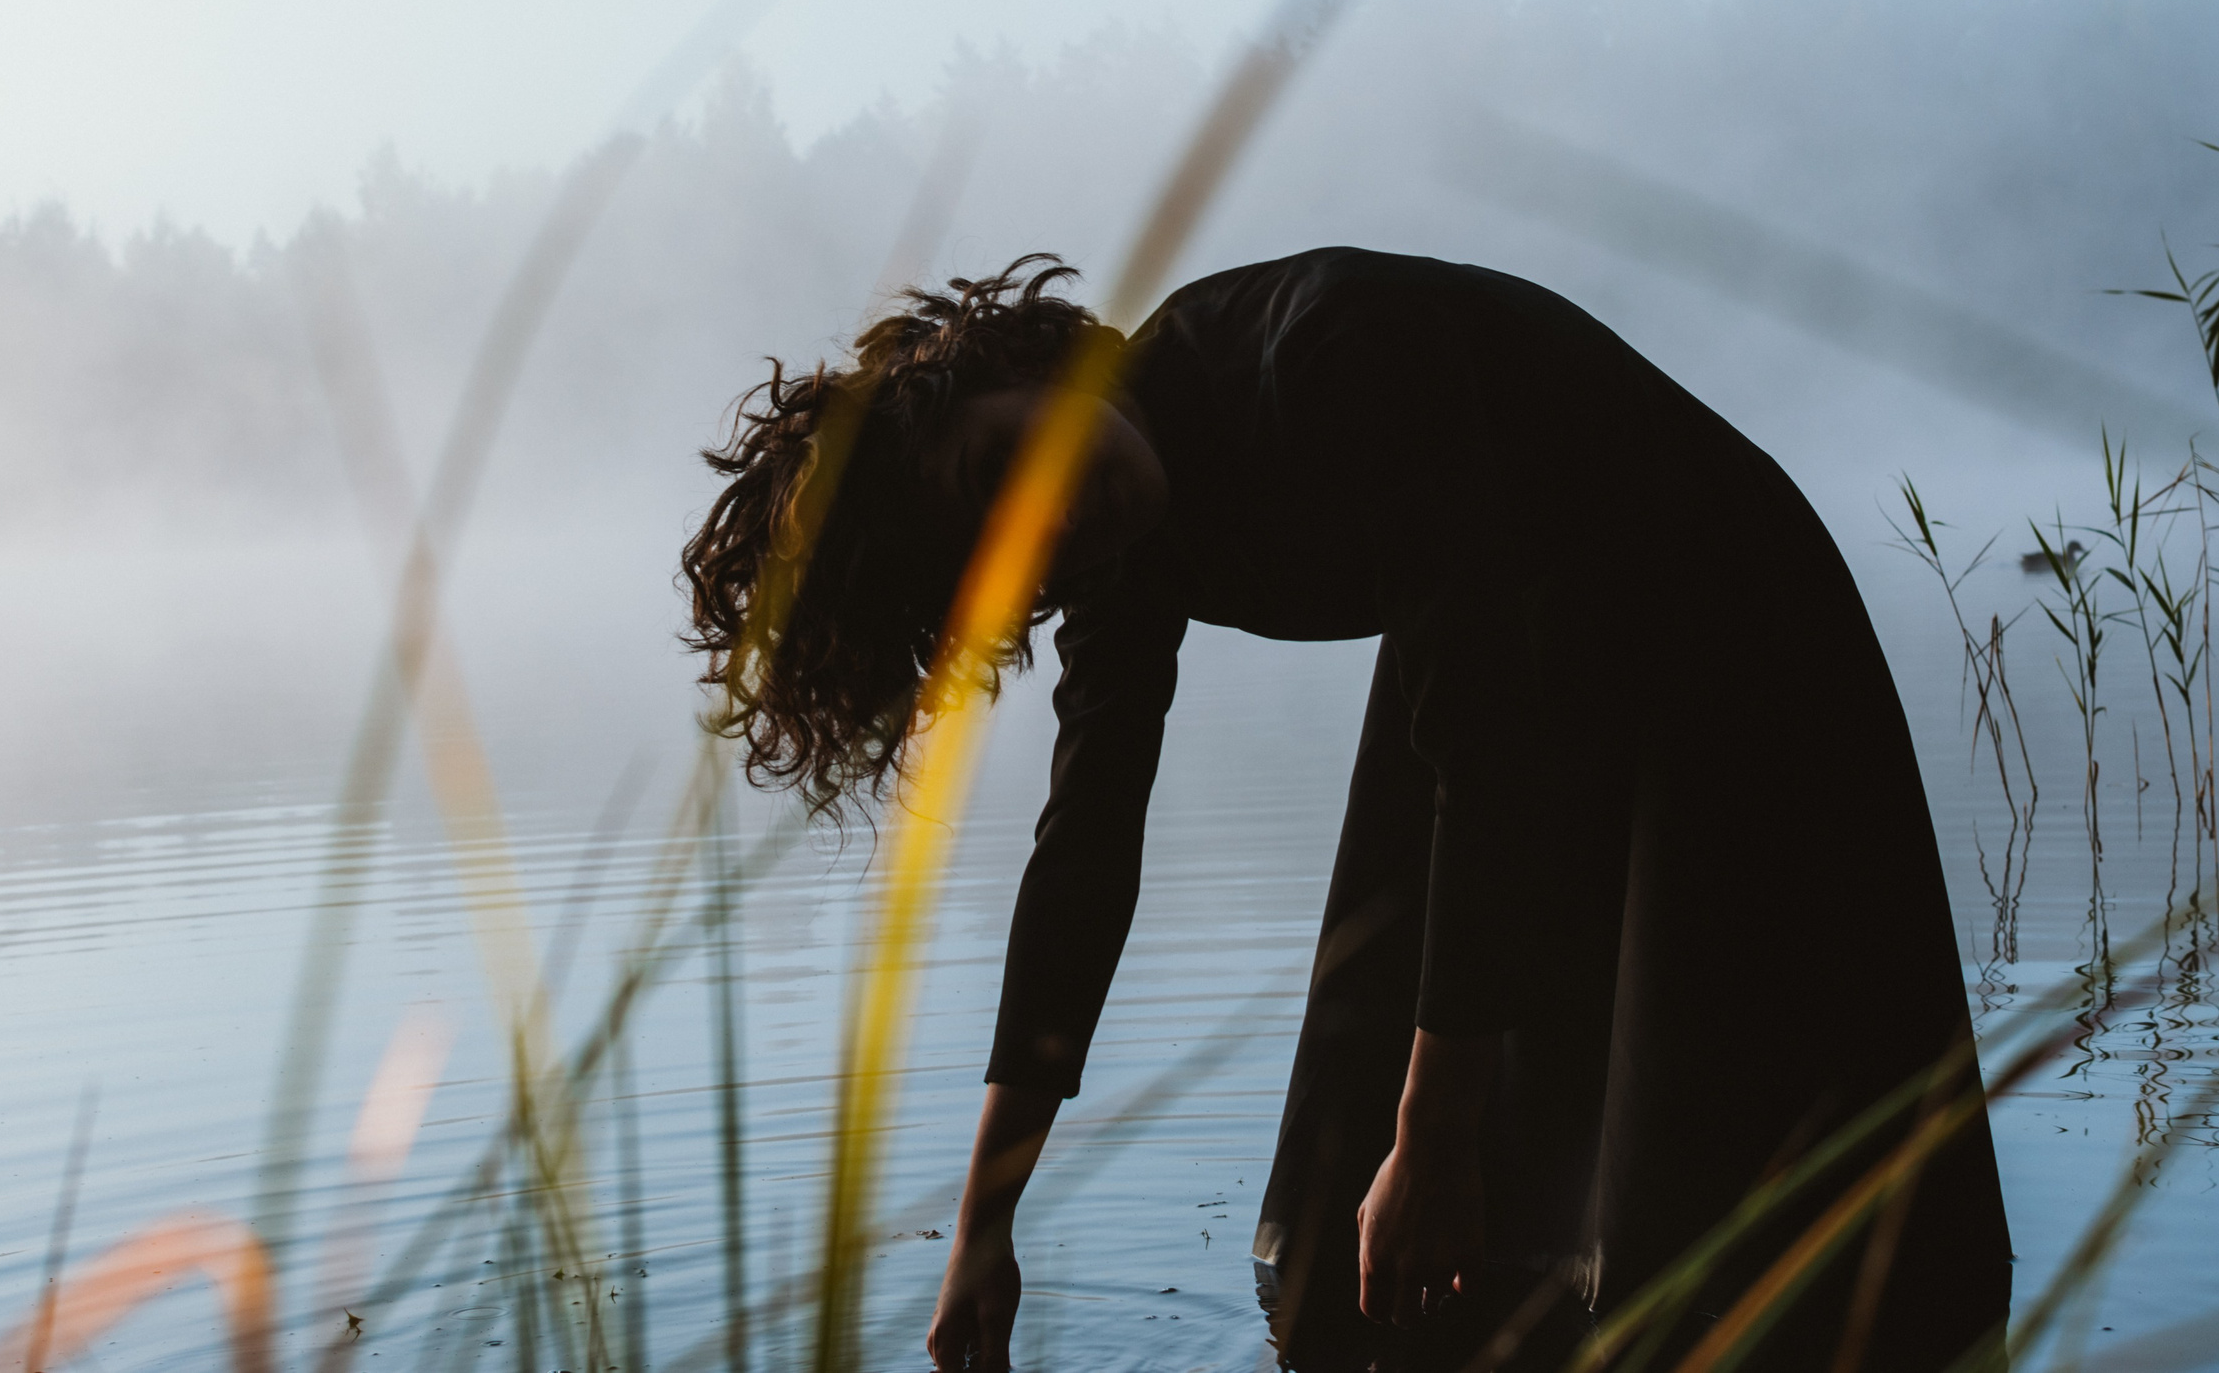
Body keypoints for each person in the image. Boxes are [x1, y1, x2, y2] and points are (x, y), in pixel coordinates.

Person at [681, 248, 2010, 1372]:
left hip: (1710, 621)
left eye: (1002, 467)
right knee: (1337, 1249)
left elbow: (1493, 736)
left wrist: (1435, 1134)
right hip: (1502, 682)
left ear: (1023, 369)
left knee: (1720, 1244)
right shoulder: (1120, 544)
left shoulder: (1328, 355)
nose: (1052, 523)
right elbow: (1084, 850)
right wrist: (984, 1228)